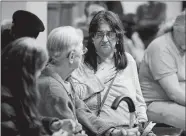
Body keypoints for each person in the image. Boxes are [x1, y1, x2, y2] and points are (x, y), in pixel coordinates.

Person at [37, 26, 139, 136]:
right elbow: (72, 131)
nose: (83, 54)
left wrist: (112, 132)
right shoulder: (53, 90)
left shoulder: (65, 80)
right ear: (71, 57)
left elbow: (82, 111)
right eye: (82, 50)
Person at [71, 11, 155, 135]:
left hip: (130, 129)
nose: (105, 39)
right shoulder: (80, 63)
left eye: (110, 34)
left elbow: (138, 99)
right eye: (99, 34)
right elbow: (73, 99)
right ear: (92, 37)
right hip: (100, 131)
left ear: (117, 37)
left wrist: (142, 120)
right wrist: (98, 79)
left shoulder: (128, 60)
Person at [1, 37, 77, 136]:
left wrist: (52, 124)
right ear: (27, 72)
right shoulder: (4, 104)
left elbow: (23, 120)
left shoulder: (14, 92)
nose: (39, 75)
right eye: (38, 70)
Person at [139, 11, 186, 130]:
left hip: (175, 101)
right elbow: (175, 93)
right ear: (177, 30)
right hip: (154, 104)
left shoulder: (182, 46)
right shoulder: (162, 48)